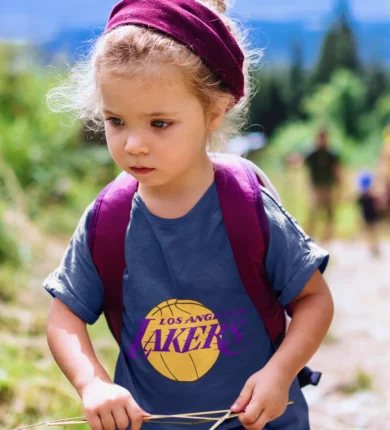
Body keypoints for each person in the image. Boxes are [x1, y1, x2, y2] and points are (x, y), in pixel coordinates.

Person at [43, 1, 334, 429]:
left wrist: (280, 373)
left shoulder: (247, 205)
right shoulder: (108, 218)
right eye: (116, 120)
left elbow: (314, 299)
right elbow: (63, 316)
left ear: (213, 111)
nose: (134, 144)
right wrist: (93, 384)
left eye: (159, 123)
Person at [304, 128, 342, 242]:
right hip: (316, 188)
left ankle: (326, 239)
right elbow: (303, 166)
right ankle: (310, 238)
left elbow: (337, 171)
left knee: (329, 214)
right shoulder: (312, 154)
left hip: (328, 187)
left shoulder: (331, 154)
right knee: (313, 213)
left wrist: (340, 187)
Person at [357, 171, 381, 257]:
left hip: (370, 217)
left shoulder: (368, 197)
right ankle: (372, 247)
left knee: (372, 232)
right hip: (368, 217)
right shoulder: (368, 197)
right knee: (371, 232)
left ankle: (374, 247)